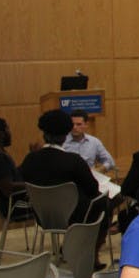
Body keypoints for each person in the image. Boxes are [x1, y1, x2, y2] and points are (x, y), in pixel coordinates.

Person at [20, 109, 109, 265]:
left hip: (42, 216)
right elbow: (92, 189)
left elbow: (21, 178)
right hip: (74, 217)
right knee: (103, 203)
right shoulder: (74, 160)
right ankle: (92, 254)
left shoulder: (30, 159)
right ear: (65, 135)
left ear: (43, 134)